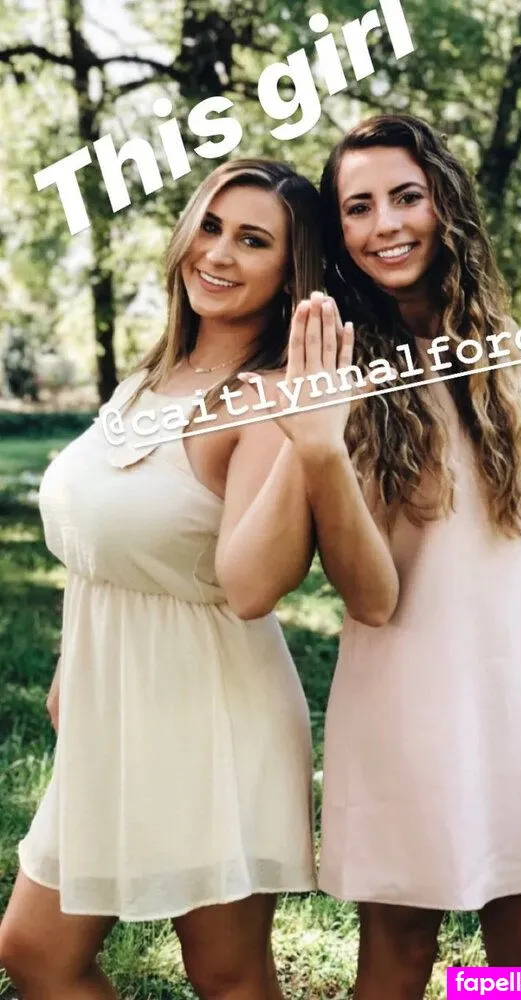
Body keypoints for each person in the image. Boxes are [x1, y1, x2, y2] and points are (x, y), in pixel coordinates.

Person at [0, 158, 324, 1000]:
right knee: (35, 952)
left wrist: (307, 431)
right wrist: (74, 663)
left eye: (252, 240)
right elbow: (103, 547)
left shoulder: (269, 402)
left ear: (290, 273)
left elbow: (252, 588)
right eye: (209, 226)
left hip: (211, 717)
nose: (217, 252)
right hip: (113, 709)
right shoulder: (154, 373)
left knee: (226, 976)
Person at [311, 114, 521, 996]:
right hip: (409, 698)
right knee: (401, 951)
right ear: (337, 231)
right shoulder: (339, 368)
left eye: (406, 196)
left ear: (444, 202)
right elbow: (362, 587)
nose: (386, 224)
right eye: (358, 207)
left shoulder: (494, 347)